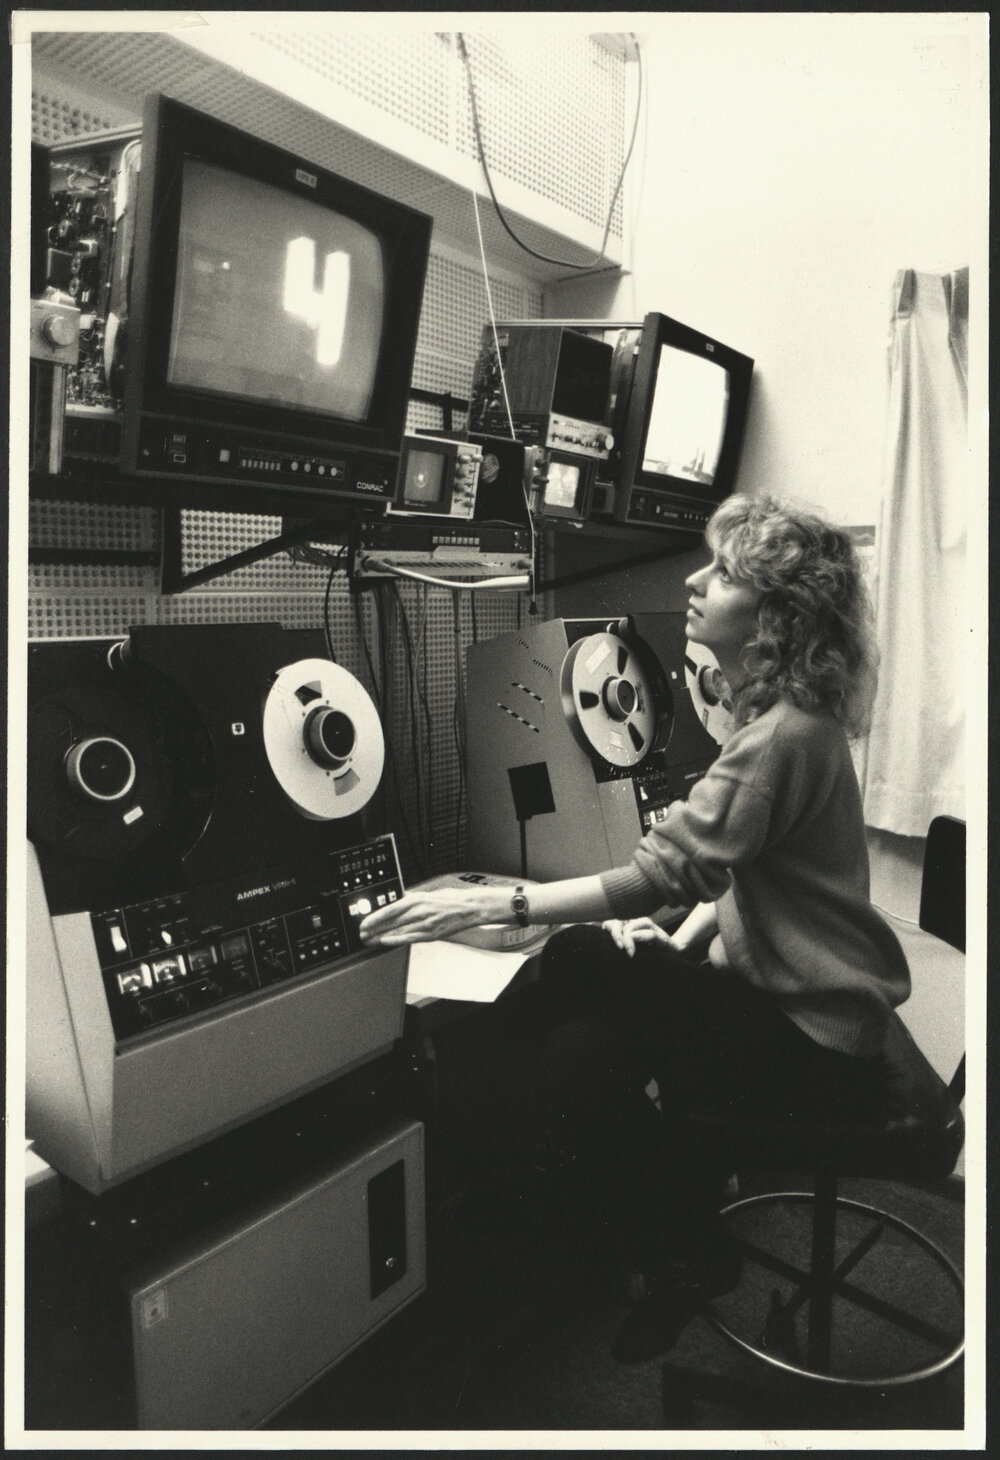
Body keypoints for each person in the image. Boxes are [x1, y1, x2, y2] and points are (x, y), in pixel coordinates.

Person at [359, 492, 911, 1362]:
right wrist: (685, 940)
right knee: (587, 1008)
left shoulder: (777, 739)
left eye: (724, 573)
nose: (695, 581)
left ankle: (640, 1231)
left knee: (584, 1019)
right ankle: (602, 1210)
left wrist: (487, 904)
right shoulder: (793, 723)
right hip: (825, 1017)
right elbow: (749, 876)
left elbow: (666, 871)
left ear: (776, 615)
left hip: (812, 1042)